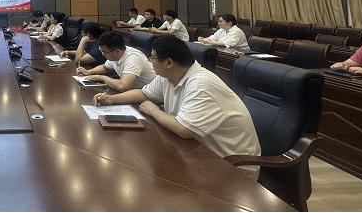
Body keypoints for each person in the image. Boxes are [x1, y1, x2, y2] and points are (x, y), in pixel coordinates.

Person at [92, 36, 261, 178]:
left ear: (168, 62)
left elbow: (184, 130)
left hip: (230, 166)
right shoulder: (168, 76)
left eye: (152, 58)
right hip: (195, 151)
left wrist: (154, 111)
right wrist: (112, 99)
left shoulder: (201, 85)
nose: (150, 62)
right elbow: (143, 94)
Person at [76, 31, 156, 90]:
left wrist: (102, 78)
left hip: (149, 94)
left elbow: (123, 86)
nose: (102, 55)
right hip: (134, 90)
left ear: (117, 51)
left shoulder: (133, 58)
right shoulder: (115, 54)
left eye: (104, 52)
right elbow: (105, 67)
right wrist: (88, 72)